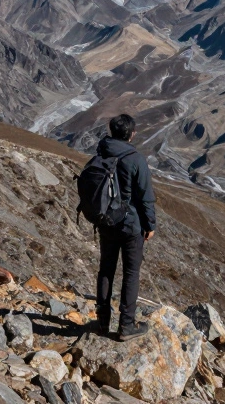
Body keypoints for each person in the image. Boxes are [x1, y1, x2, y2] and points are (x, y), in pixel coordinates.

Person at [94, 113, 157, 340]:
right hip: (131, 226)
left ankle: (102, 322)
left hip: (106, 222)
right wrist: (150, 225)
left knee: (106, 270)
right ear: (131, 134)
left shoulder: (102, 151)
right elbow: (146, 196)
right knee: (131, 273)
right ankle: (126, 326)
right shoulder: (136, 159)